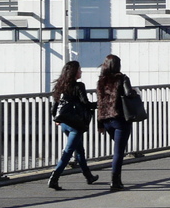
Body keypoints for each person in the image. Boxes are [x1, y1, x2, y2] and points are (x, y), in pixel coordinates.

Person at [47, 61, 98, 190]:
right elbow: (85, 103)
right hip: (76, 123)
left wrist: (55, 118)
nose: (81, 72)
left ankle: (88, 176)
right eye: (79, 70)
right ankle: (54, 178)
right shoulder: (79, 86)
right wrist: (99, 104)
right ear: (74, 72)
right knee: (68, 151)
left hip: (64, 122)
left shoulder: (60, 85)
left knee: (79, 149)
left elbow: (55, 105)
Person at [96, 54, 135, 191]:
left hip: (106, 121)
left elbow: (100, 103)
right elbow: (129, 94)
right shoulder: (122, 78)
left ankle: (116, 180)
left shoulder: (101, 81)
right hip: (120, 119)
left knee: (118, 149)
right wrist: (135, 92)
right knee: (119, 151)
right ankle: (115, 181)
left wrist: (99, 124)